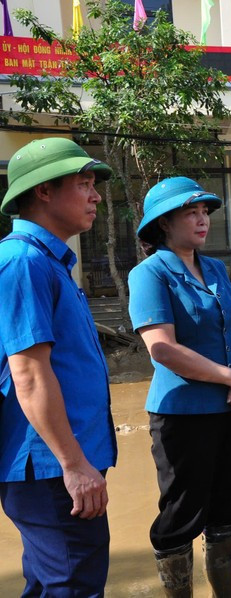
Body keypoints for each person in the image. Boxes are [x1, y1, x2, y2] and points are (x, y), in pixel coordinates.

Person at [128, 177, 231, 597]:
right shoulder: (149, 273)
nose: (203, 219)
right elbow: (162, 349)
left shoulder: (215, 267)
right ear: (164, 223)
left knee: (228, 508)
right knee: (181, 513)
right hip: (181, 414)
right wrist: (229, 376)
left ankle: (227, 591)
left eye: (205, 211)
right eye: (191, 212)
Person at [0, 138, 118, 594]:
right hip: (52, 468)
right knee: (73, 584)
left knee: (54, 582)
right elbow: (29, 373)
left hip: (62, 464)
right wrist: (74, 465)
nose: (96, 196)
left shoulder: (49, 263)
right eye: (84, 184)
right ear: (44, 192)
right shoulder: (23, 262)